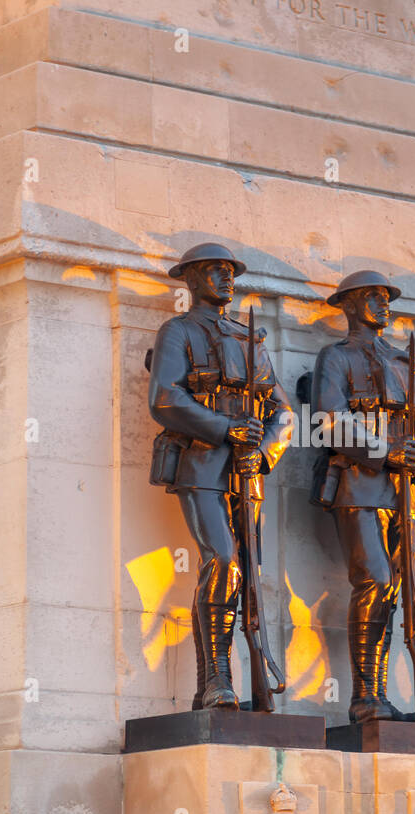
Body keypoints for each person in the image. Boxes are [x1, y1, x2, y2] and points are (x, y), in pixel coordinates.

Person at [147, 242, 293, 709]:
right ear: (190, 280)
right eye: (214, 270)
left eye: (230, 271)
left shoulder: (250, 338)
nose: (226, 278)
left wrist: (266, 450)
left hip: (247, 471)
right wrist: (227, 428)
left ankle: (228, 683)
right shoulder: (179, 331)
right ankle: (215, 679)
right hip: (201, 463)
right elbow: (165, 398)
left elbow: (283, 412)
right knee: (223, 561)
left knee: (247, 574)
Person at [309, 270, 415, 723]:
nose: (383, 303)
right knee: (376, 581)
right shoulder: (336, 357)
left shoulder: (408, 361)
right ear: (349, 305)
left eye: (386, 296)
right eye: (372, 296)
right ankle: (364, 695)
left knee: (394, 595)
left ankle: (379, 695)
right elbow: (329, 420)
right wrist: (387, 451)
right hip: (358, 483)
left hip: (403, 491)